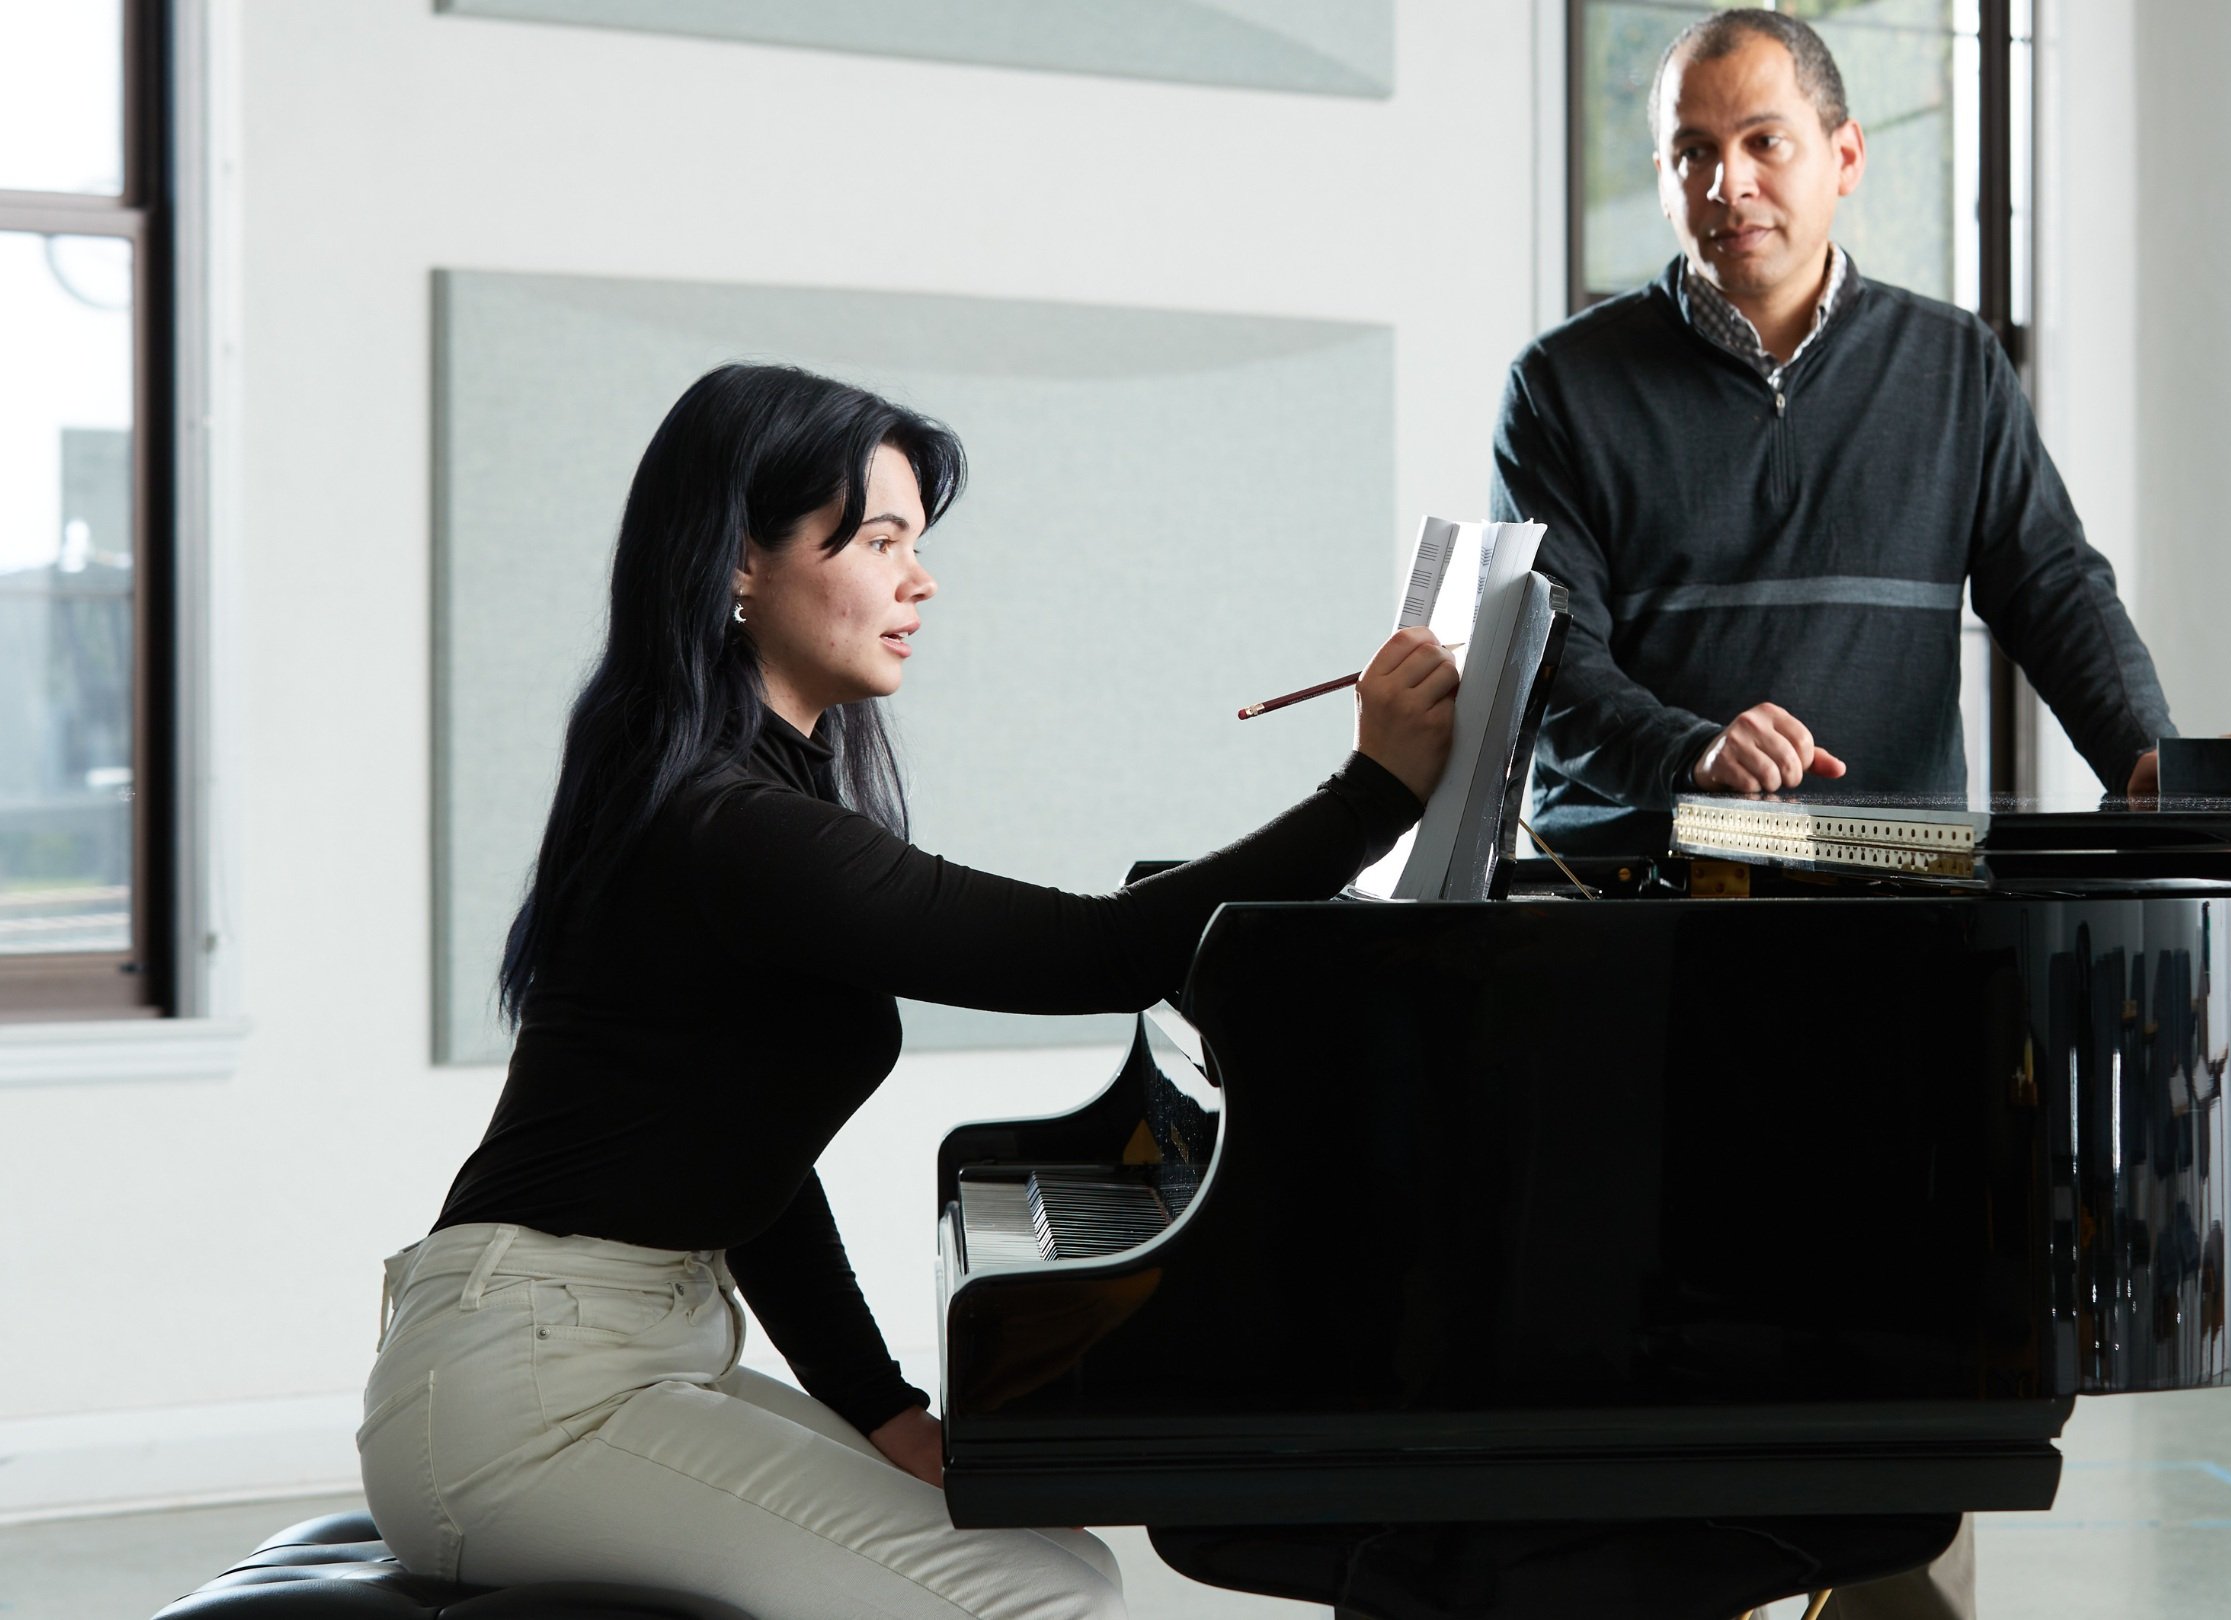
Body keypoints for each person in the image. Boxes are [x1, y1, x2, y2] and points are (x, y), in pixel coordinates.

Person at [359, 363, 1457, 1618]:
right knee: (1031, 1601)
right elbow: (1102, 957)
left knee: (1060, 1568)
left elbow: (750, 1168)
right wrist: (1372, 793)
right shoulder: (729, 827)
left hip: (607, 1349)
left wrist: (879, 1407)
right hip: (526, 1395)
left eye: (913, 543)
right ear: (737, 565)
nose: (918, 581)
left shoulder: (738, 801)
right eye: (880, 540)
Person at [1494, 8, 2176, 858]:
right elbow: (1546, 669)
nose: (1727, 184)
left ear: (1844, 155)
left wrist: (2145, 757)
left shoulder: (1957, 363)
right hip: (1633, 899)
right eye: (1693, 152)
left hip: (1903, 884)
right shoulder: (1560, 386)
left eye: (1764, 142)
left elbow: (2054, 588)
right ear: (1664, 179)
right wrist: (1693, 751)